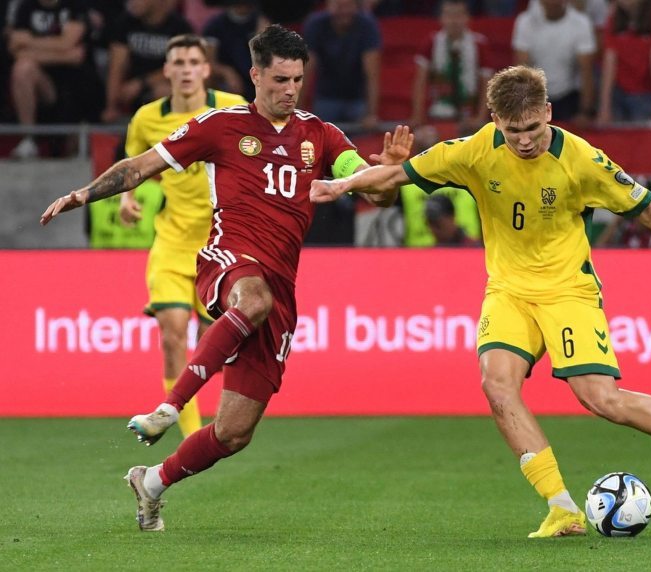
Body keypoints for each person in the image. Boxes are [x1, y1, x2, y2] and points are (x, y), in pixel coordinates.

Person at [311, 65, 651, 538]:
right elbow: (397, 175)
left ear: (548, 113)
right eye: (514, 132)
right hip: (508, 291)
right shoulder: (473, 151)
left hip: (568, 290)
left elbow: (648, 211)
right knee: (497, 385)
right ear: (495, 121)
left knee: (602, 400)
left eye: (534, 128)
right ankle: (562, 507)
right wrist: (342, 184)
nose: (526, 140)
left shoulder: (583, 160)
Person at [40, 24, 413, 532]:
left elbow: (373, 192)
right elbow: (143, 165)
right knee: (252, 298)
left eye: (298, 79)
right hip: (227, 258)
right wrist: (84, 194)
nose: (289, 89)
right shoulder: (218, 125)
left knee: (235, 432)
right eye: (280, 79)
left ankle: (151, 482)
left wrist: (389, 172)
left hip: (281, 285)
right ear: (255, 75)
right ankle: (168, 409)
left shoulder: (320, 135)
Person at [119, 34, 247, 440]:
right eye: (180, 62)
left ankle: (213, 417)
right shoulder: (146, 119)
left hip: (218, 247)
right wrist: (128, 197)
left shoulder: (231, 107)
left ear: (206, 69)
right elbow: (134, 166)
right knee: (172, 336)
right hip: (171, 244)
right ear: (167, 70)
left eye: (195, 61)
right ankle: (187, 430)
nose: (187, 69)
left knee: (214, 343)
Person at [7, 0, 103, 159]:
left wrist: (29, 42)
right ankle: (29, 140)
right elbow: (16, 49)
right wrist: (64, 54)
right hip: (44, 86)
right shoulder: (25, 7)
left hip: (78, 84)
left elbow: (71, 46)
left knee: (80, 87)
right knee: (22, 68)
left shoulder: (76, 5)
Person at [101, 0, 192, 123]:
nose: (132, 3)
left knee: (164, 91)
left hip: (165, 88)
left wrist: (142, 83)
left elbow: (181, 67)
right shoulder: (124, 23)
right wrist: (111, 106)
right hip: (130, 93)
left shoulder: (179, 28)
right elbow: (116, 67)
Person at [410, 0, 494, 134]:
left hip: (469, 116)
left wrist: (479, 118)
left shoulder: (480, 44)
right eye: (449, 15)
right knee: (422, 138)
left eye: (458, 15)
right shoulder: (431, 42)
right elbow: (420, 82)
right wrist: (418, 116)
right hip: (438, 114)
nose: (454, 21)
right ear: (441, 18)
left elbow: (487, 84)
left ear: (467, 18)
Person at [512, 0, 596, 123]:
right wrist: (521, 109)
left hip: (569, 95)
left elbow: (586, 70)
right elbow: (521, 70)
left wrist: (585, 111)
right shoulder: (525, 22)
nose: (552, 3)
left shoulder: (581, 23)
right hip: (535, 95)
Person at [302, 0, 382, 130]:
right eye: (339, 6)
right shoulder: (315, 24)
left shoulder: (368, 25)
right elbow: (306, 70)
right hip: (326, 96)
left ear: (357, 7)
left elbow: (372, 74)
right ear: (328, 6)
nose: (344, 11)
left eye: (348, 6)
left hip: (357, 98)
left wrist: (371, 114)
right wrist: (295, 111)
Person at [598, 0, 651, 124]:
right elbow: (609, 65)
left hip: (645, 94)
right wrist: (605, 107)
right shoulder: (613, 19)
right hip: (618, 92)